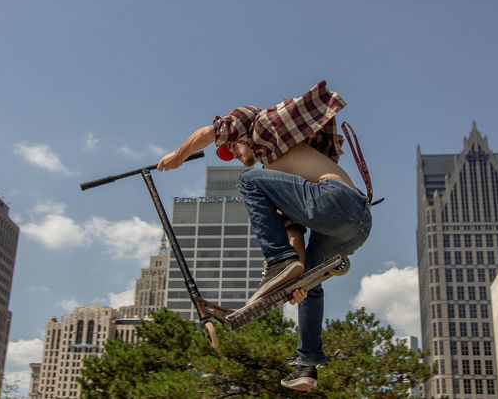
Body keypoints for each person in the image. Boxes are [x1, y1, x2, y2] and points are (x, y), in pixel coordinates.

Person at [157, 80, 373, 391]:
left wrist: (178, 155)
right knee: (309, 287)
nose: (233, 150)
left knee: (248, 181)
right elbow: (294, 237)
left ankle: (277, 263)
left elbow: (208, 133)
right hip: (355, 229)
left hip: (337, 198)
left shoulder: (255, 124)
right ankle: (307, 366)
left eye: (232, 146)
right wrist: (293, 282)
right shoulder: (279, 182)